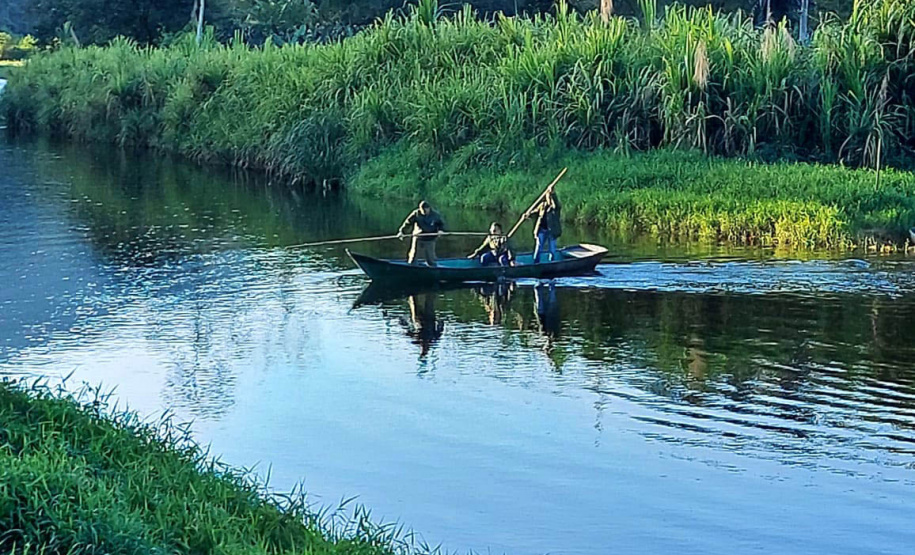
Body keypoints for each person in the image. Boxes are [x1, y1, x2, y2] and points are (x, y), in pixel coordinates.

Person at [398, 200, 445, 266]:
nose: (424, 212)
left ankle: (432, 268)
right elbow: (408, 223)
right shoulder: (416, 213)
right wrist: (402, 232)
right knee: (413, 256)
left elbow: (441, 224)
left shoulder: (435, 215)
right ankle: (411, 266)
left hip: (430, 238)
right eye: (422, 210)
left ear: (428, 208)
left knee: (430, 258)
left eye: (425, 210)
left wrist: (441, 230)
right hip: (418, 237)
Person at [525, 184, 562, 263]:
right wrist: (528, 215)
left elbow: (555, 203)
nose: (548, 199)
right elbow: (535, 212)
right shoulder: (542, 205)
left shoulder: (555, 208)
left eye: (550, 197)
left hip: (552, 231)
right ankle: (536, 262)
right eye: (547, 197)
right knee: (538, 247)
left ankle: (551, 263)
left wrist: (553, 193)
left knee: (552, 249)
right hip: (541, 230)